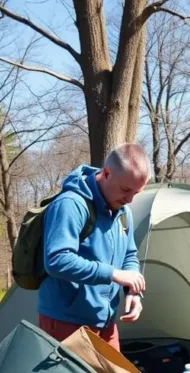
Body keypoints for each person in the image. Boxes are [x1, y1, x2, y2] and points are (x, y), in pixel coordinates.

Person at [37, 143, 151, 351]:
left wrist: (132, 290)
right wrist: (113, 274)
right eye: (126, 190)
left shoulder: (123, 212)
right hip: (65, 321)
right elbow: (57, 260)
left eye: (136, 193)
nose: (129, 200)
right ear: (106, 173)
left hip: (105, 323)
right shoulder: (71, 204)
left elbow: (129, 255)